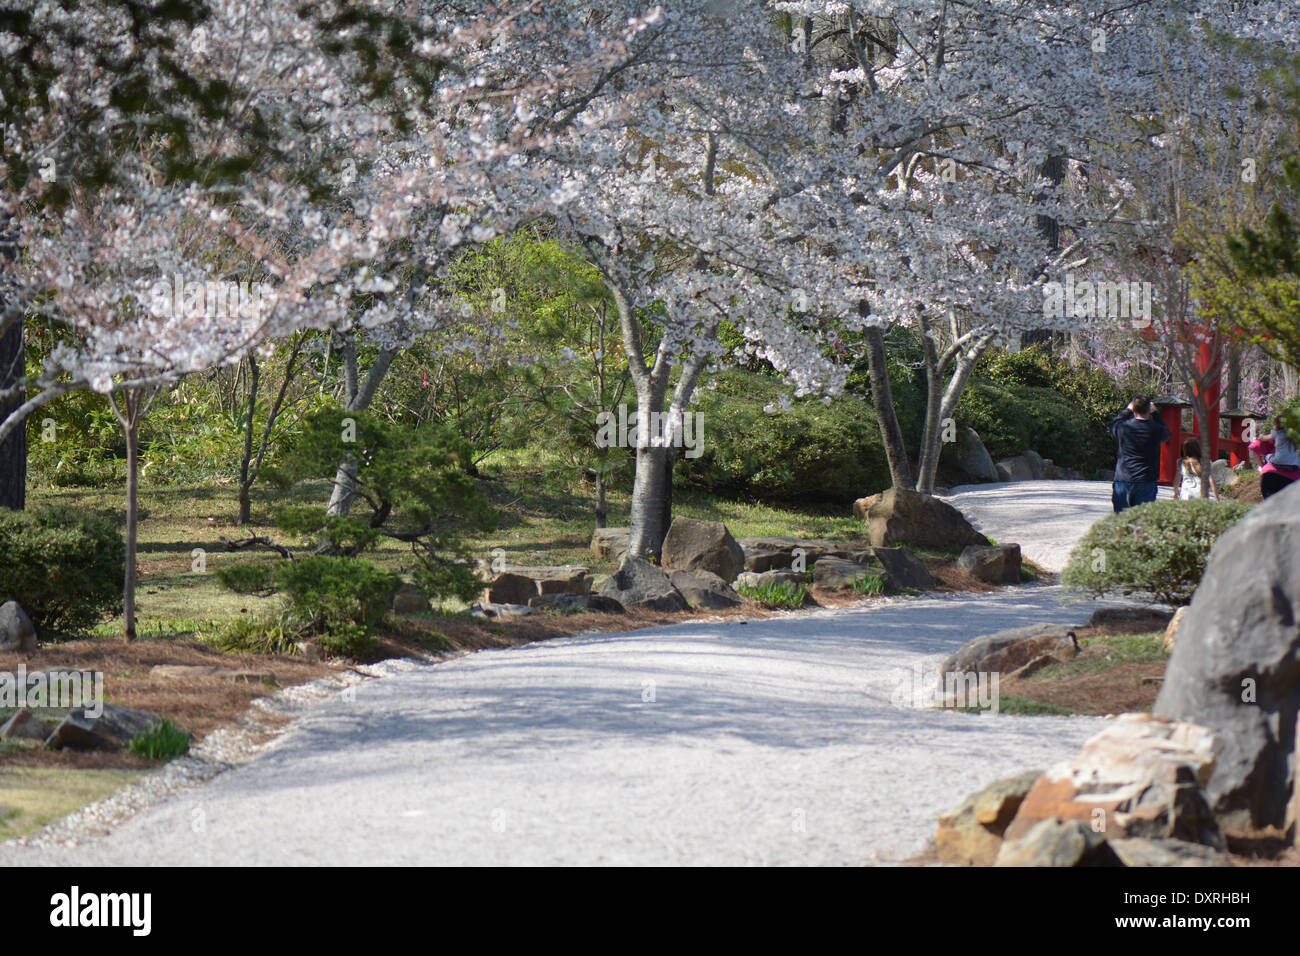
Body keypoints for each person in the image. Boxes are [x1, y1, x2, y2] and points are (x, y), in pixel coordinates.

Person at [1110, 395, 1171, 513]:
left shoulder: (1123, 427)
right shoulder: (1156, 429)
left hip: (1124, 478)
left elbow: (1113, 424)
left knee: (1122, 522)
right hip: (1146, 479)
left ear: (1134, 409)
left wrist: (1127, 410)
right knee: (1142, 522)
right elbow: (1166, 434)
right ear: (1149, 409)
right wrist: (1156, 414)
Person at [1248, 414, 1300, 498]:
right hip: (1293, 467)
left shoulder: (1277, 433)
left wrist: (1261, 436)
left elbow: (1261, 441)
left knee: (1269, 456)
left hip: (1276, 466)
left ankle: (1262, 467)